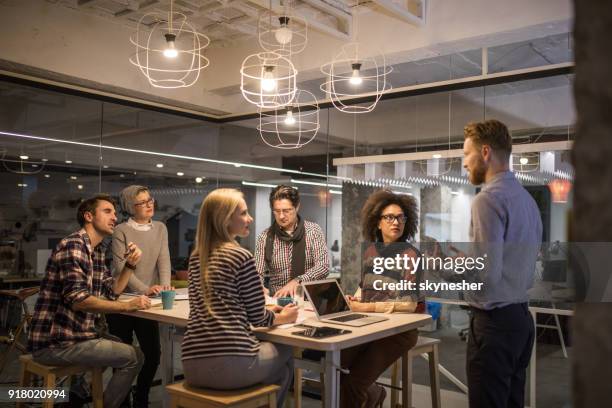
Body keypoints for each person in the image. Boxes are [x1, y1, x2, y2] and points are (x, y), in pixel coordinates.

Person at [28, 194, 152, 408]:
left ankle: (75, 398)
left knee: (121, 347)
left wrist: (130, 265)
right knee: (135, 357)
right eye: (107, 211)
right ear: (88, 216)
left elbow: (112, 291)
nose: (114, 217)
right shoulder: (74, 246)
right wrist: (127, 306)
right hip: (55, 344)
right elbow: (79, 301)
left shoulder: (96, 251)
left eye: (115, 212)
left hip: (78, 337)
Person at [181, 188, 298, 408]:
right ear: (224, 219)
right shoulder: (241, 256)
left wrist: (264, 313)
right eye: (243, 213)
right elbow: (259, 319)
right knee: (287, 355)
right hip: (232, 364)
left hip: (191, 364)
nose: (250, 218)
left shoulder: (197, 257)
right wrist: (287, 317)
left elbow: (225, 305)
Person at [462, 119, 542, 408]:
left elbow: (486, 276)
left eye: (466, 154)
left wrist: (449, 268)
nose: (464, 163)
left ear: (485, 153)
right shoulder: (527, 201)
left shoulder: (487, 200)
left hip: (494, 327)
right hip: (521, 321)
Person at [340, 189, 424, 408]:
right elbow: (363, 287)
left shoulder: (411, 255)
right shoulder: (370, 252)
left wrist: (369, 307)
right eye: (389, 217)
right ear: (377, 223)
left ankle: (370, 394)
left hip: (399, 332)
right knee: (335, 366)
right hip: (369, 325)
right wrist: (354, 300)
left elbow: (408, 304)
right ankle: (374, 392)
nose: (395, 222)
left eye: (400, 217)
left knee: (354, 382)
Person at [106, 185, 172, 407]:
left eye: (150, 200)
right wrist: (145, 288)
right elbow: (121, 267)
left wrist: (164, 286)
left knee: (153, 355)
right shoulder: (120, 230)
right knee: (122, 357)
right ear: (129, 207)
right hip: (122, 301)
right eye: (142, 202)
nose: (149, 204)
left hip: (146, 304)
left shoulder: (161, 228)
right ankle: (122, 400)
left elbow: (164, 260)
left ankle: (141, 397)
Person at [255, 185, 329, 297]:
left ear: (297, 207)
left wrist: (297, 281)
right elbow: (257, 273)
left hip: (308, 300)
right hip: (278, 302)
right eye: (276, 211)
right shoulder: (265, 237)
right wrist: (258, 286)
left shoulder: (313, 231)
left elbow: (323, 267)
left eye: (286, 211)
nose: (281, 216)